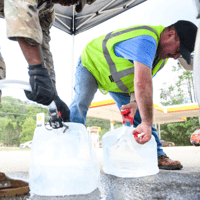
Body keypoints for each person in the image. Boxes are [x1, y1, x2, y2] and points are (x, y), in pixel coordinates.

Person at [70, 20, 197, 171]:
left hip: (116, 81)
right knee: (81, 102)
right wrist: (147, 122)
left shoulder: (161, 59)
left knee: (139, 114)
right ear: (170, 34)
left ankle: (157, 155)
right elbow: (142, 83)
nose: (176, 57)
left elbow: (136, 83)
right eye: (178, 50)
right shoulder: (146, 39)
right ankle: (71, 152)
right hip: (92, 64)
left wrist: (134, 102)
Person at [0, 0, 95, 197]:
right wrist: (36, 69)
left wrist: (52, 93)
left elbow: (42, 45)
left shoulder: (47, 10)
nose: (73, 3)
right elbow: (19, 5)